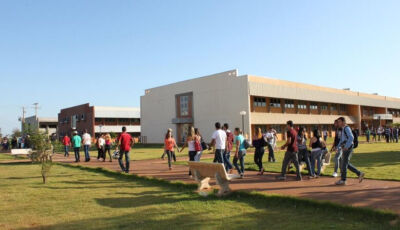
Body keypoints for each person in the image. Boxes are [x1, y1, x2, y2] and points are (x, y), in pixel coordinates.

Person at [335, 117, 365, 185]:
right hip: (346, 148)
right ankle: (359, 173)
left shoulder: (346, 128)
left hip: (348, 148)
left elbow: (351, 137)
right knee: (346, 164)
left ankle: (343, 180)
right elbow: (342, 140)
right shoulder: (343, 129)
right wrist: (337, 147)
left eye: (339, 121)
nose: (338, 123)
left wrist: (346, 146)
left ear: (343, 122)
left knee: (343, 164)